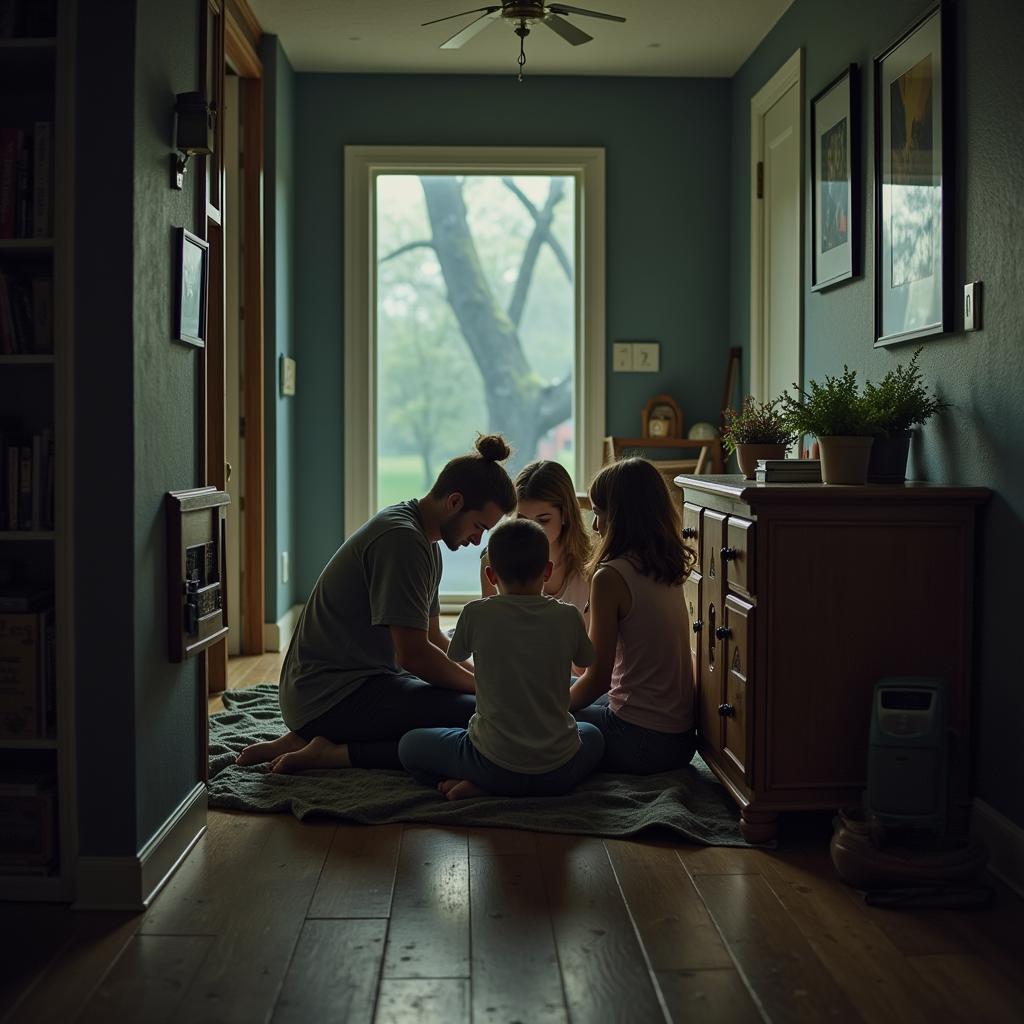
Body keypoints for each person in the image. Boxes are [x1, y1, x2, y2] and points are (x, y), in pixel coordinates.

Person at [234, 434, 517, 773]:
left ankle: (306, 738)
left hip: (341, 689)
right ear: (454, 502)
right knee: (484, 716)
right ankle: (330, 751)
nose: (477, 540)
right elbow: (413, 656)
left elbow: (433, 640)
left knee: (484, 704)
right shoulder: (402, 542)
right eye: (478, 526)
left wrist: (487, 677)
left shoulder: (425, 542)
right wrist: (484, 690)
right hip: (330, 698)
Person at [398, 517, 604, 800]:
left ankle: (486, 783)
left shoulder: (475, 613)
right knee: (592, 735)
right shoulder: (568, 615)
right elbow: (586, 660)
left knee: (409, 746)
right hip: (557, 770)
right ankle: (513, 785)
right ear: (547, 571)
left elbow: (455, 655)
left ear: (491, 575)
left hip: (491, 760)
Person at [569, 457, 697, 774]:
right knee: (567, 688)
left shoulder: (610, 576)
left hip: (641, 741)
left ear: (621, 517)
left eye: (599, 514)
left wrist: (543, 710)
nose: (595, 526)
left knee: (537, 719)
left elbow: (597, 679)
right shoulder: (668, 567)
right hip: (681, 742)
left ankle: (495, 774)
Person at [479, 459, 592, 622]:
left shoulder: (592, 566)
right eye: (522, 519)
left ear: (565, 514)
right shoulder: (494, 561)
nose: (531, 530)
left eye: (543, 520)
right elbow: (490, 629)